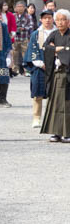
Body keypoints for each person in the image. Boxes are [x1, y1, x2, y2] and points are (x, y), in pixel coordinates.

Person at [40, 9, 70, 141]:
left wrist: (55, 49)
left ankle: (67, 133)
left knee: (67, 104)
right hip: (56, 74)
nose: (60, 22)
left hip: (67, 74)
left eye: (63, 19)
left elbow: (68, 52)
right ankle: (56, 132)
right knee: (55, 103)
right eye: (57, 20)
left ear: (68, 21)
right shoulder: (53, 34)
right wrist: (57, 49)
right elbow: (45, 47)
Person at [26, 10, 56, 128]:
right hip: (39, 66)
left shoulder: (57, 32)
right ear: (41, 20)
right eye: (45, 18)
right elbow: (32, 50)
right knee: (37, 93)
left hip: (55, 66)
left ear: (53, 19)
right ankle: (36, 118)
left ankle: (51, 119)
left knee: (54, 94)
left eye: (49, 17)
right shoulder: (36, 33)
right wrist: (39, 62)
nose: (47, 20)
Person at [12, 1, 35, 76]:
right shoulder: (13, 15)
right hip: (15, 38)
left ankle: (27, 70)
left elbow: (31, 26)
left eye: (21, 6)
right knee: (14, 54)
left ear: (25, 8)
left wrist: (24, 28)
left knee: (25, 55)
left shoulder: (28, 16)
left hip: (24, 38)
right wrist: (15, 28)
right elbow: (10, 26)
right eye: (18, 6)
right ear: (15, 8)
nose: (19, 8)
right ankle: (14, 70)